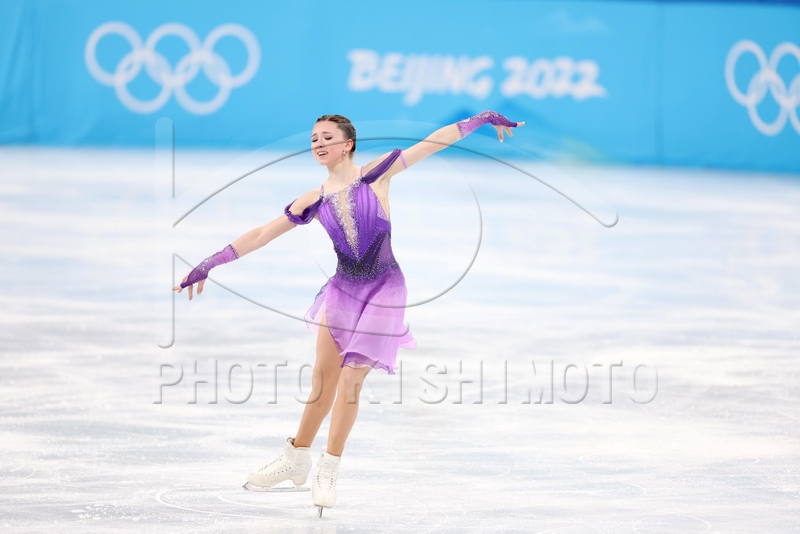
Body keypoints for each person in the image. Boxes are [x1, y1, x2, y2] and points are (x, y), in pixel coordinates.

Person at [172, 110, 524, 516]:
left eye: (327, 137)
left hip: (385, 289)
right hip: (343, 291)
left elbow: (433, 142)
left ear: (348, 144)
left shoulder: (376, 175)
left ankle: (329, 468)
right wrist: (209, 263)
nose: (319, 144)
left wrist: (481, 119)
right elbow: (261, 234)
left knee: (352, 379)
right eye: (314, 139)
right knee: (323, 381)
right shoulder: (313, 199)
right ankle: (296, 457)